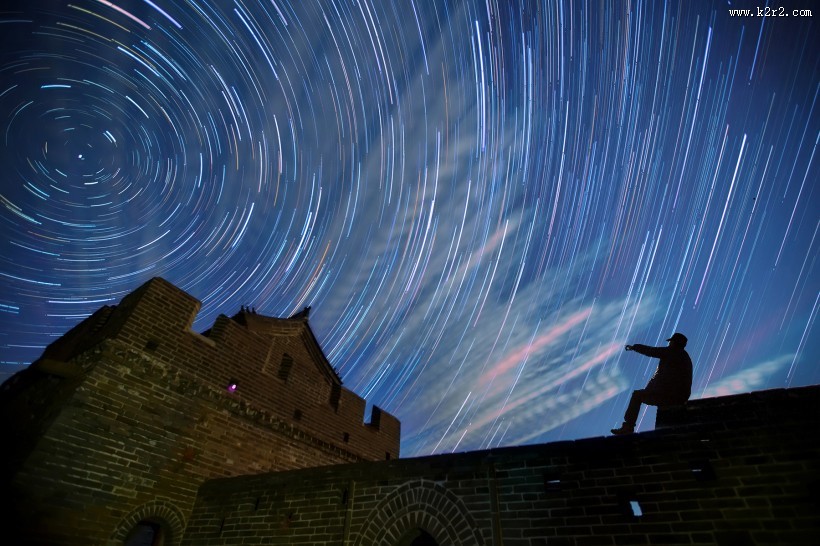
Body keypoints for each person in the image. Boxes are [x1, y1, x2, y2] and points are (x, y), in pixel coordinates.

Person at [611, 332, 693, 435]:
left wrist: (634, 347)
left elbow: (651, 351)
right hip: (680, 397)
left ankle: (628, 427)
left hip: (667, 395)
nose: (669, 344)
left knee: (637, 395)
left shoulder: (671, 352)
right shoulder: (686, 358)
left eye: (671, 342)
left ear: (674, 343)